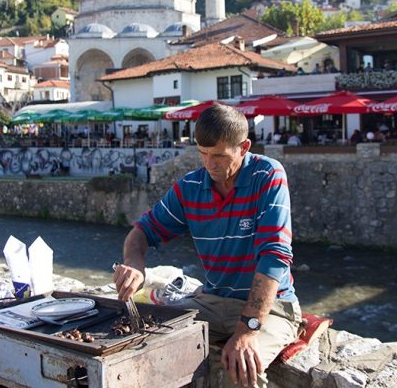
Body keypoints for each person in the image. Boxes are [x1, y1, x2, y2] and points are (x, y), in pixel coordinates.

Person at [113, 104, 300, 388]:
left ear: (244, 147)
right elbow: (141, 231)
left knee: (243, 371)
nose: (209, 164)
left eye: (219, 156)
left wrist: (248, 329)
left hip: (272, 308)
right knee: (148, 340)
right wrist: (135, 265)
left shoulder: (268, 176)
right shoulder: (190, 187)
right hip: (212, 300)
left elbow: (274, 256)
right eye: (202, 153)